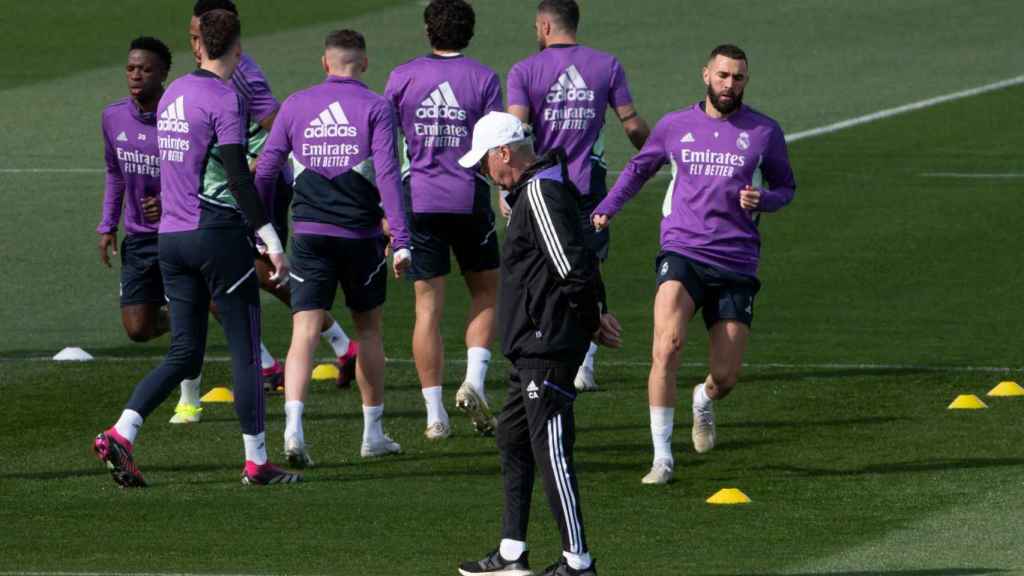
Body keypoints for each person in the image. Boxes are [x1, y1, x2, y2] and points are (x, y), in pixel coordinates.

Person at [92, 9, 300, 487]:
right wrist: (271, 241)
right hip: (216, 235)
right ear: (238, 50)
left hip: (170, 239)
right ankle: (256, 464)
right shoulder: (225, 98)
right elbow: (237, 175)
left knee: (184, 354)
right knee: (246, 349)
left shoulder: (174, 96)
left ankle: (122, 432)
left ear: (197, 46)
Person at [592, 44, 797, 484]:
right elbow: (637, 170)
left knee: (725, 377)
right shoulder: (674, 125)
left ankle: (702, 399)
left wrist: (766, 199)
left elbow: (787, 187)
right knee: (666, 345)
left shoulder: (764, 131)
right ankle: (662, 457)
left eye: (738, 78)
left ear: (746, 81)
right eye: (722, 76)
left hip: (737, 261)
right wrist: (607, 207)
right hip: (683, 251)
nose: (729, 85)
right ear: (706, 74)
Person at [168, 0, 359, 423]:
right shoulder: (202, 80)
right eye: (192, 35)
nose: (193, 42)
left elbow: (276, 120)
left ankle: (295, 358)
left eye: (199, 34)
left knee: (251, 272)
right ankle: (334, 348)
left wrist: (260, 162)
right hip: (224, 193)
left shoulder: (243, 73)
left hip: (253, 188)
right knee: (247, 274)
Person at [457, 112, 621, 576]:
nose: (484, 172)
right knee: (512, 437)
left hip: (546, 345)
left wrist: (592, 321)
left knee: (552, 450)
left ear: (504, 153)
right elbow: (584, 253)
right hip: (530, 346)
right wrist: (596, 311)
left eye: (485, 161)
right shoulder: (542, 189)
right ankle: (512, 552)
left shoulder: (540, 195)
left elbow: (571, 266)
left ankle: (578, 561)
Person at [255, 29, 410, 467]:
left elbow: (265, 172)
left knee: (303, 331)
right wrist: (400, 237)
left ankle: (292, 429)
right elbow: (388, 177)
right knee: (369, 331)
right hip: (360, 239)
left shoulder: (296, 105)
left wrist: (261, 228)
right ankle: (372, 434)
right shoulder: (377, 107)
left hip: (307, 235)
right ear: (364, 63)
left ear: (325, 63)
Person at [506, 0, 650, 393]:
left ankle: (544, 345)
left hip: (541, 187)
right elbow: (631, 124)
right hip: (590, 185)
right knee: (587, 265)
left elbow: (516, 134)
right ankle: (586, 359)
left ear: (544, 25)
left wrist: (508, 190)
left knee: (543, 267)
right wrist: (659, 154)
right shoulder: (607, 65)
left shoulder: (524, 70)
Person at [384, 0, 503, 439]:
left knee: (427, 309)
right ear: (469, 33)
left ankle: (435, 415)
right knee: (487, 292)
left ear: (428, 31)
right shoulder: (484, 78)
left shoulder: (402, 77)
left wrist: (388, 214)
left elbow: (385, 148)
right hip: (469, 197)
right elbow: (496, 147)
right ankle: (473, 379)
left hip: (419, 199)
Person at [97, 37, 172, 345]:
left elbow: (202, 172)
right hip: (139, 237)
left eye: (145, 69)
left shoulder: (179, 117)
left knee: (188, 307)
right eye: (130, 68)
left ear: (163, 73)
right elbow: (115, 173)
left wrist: (168, 201)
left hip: (179, 231)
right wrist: (107, 224)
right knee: (138, 329)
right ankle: (185, 314)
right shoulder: (113, 117)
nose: (136, 75)